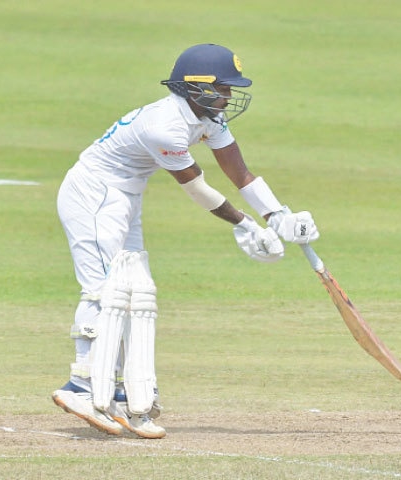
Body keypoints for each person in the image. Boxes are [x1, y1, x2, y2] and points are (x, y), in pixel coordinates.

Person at [51, 43, 319, 439]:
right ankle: (80, 385)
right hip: (93, 193)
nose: (228, 97)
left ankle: (118, 387)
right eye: (223, 89)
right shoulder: (165, 126)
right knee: (102, 290)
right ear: (196, 87)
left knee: (131, 290)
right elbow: (196, 187)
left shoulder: (208, 115)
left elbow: (240, 173)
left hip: (125, 195)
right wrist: (245, 224)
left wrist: (278, 215)